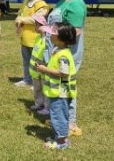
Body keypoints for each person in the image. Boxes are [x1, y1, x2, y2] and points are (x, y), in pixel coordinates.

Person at [44, 0, 90, 137]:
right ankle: (60, 118)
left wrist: (57, 43)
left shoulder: (76, 4)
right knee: (58, 86)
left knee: (66, 87)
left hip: (67, 53)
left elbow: (75, 32)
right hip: (55, 51)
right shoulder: (62, 2)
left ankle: (70, 122)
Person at [35, 22, 78, 150]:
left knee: (58, 115)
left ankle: (61, 141)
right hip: (56, 91)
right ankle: (59, 136)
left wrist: (44, 69)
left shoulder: (63, 55)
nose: (49, 35)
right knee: (57, 114)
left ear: (60, 38)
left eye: (52, 34)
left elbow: (63, 73)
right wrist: (45, 65)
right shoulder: (58, 49)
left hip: (60, 92)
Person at [14, 0, 49, 87]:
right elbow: (20, 13)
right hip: (25, 37)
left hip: (36, 38)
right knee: (26, 60)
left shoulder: (42, 4)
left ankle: (37, 81)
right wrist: (18, 19)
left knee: (37, 61)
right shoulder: (25, 2)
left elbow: (37, 19)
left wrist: (22, 20)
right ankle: (27, 79)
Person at [29, 15, 49, 115]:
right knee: (37, 89)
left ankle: (47, 107)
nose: (35, 27)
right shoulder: (38, 38)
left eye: (36, 25)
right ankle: (39, 103)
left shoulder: (46, 40)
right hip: (35, 71)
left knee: (45, 89)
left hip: (43, 70)